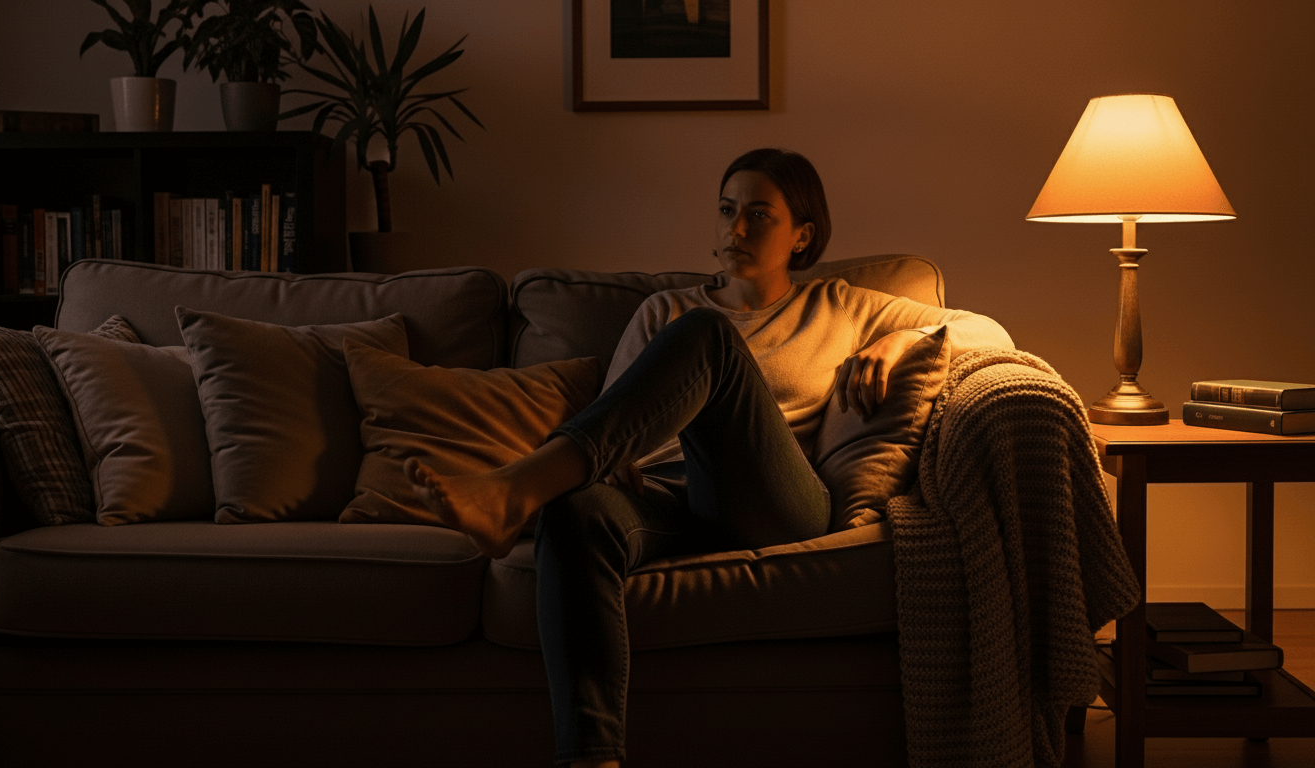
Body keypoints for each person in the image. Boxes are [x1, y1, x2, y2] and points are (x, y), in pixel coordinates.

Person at [406, 148, 1014, 767]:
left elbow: (991, 333)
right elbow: (618, 427)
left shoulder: (843, 306)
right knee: (576, 513)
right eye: (726, 211)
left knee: (709, 337)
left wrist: (900, 339)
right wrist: (612, 469)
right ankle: (592, 757)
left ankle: (514, 490)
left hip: (772, 502)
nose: (735, 229)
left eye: (758, 214)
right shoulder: (662, 311)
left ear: (802, 235)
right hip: (669, 503)